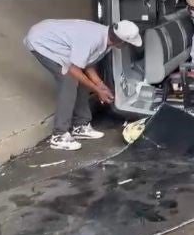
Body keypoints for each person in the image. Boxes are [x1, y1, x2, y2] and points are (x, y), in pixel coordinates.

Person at [24, 19, 143, 151]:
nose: (128, 46)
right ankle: (59, 135)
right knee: (68, 81)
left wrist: (100, 84)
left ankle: (80, 125)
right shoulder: (92, 39)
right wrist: (97, 90)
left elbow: (85, 63)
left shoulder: (106, 40)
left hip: (52, 38)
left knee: (81, 79)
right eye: (128, 44)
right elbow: (74, 70)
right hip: (41, 41)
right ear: (121, 42)